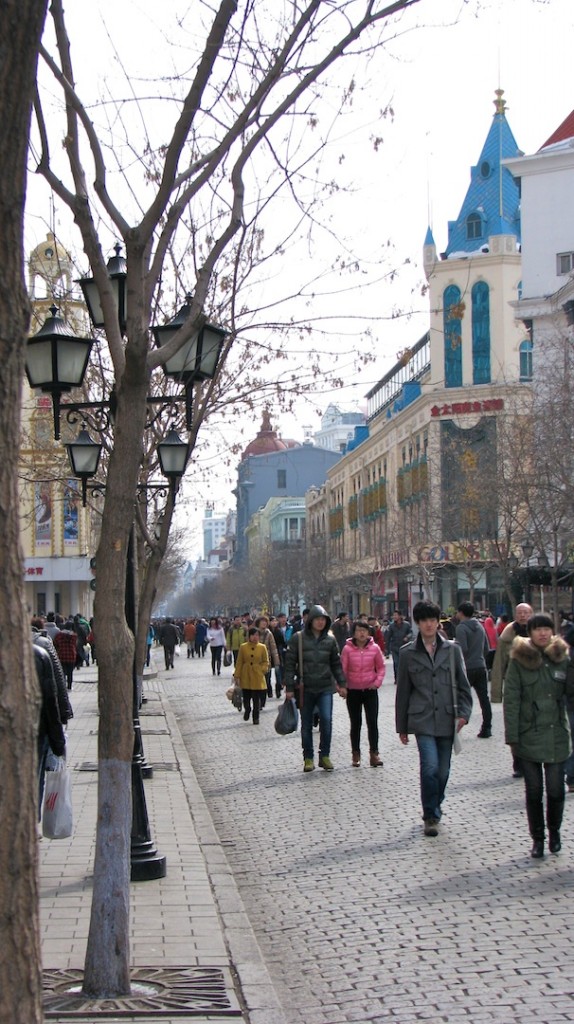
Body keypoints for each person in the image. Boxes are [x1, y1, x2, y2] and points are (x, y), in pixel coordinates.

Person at [395, 600, 472, 838]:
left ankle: (435, 802)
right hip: (422, 719)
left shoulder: (452, 649)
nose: (429, 625)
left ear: (438, 622)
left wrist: (464, 715)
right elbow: (403, 692)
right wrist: (402, 727)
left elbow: (463, 686)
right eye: (424, 620)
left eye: (432, 620)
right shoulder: (407, 653)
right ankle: (430, 815)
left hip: (448, 717)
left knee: (443, 771)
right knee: (429, 767)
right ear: (418, 623)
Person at [503, 614, 572, 858]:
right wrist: (512, 736)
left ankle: (554, 831)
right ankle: (538, 838)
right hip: (527, 735)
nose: (542, 633)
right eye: (537, 629)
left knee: (555, 790)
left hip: (556, 735)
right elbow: (511, 700)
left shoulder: (562, 659)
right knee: (533, 791)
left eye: (546, 629)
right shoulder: (519, 661)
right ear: (529, 633)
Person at [284, 604, 347, 772]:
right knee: (306, 724)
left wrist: (342, 684)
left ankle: (324, 755)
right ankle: (308, 758)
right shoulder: (298, 638)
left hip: (325, 687)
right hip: (306, 688)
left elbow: (336, 664)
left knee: (326, 720)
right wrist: (289, 687)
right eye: (317, 619)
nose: (320, 622)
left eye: (323, 620)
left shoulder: (330, 640)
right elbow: (289, 664)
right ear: (310, 620)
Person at [491, 602, 533, 778]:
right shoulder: (507, 635)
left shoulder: (540, 633)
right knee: (514, 724)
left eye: (526, 613)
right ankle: (518, 762)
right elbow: (499, 664)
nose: (523, 616)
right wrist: (496, 692)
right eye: (520, 613)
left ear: (531, 614)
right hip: (513, 686)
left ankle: (532, 759)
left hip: (534, 687)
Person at [341, 620, 385, 767]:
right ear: (354, 633)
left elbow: (381, 667)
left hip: (370, 690)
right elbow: (342, 669)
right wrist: (342, 686)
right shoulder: (347, 649)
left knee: (372, 722)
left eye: (364, 630)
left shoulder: (375, 649)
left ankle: (374, 754)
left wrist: (377, 683)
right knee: (356, 723)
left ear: (368, 633)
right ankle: (356, 754)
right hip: (353, 691)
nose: (362, 633)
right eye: (359, 630)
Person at [34, 641, 66, 818]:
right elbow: (51, 701)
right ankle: (32, 820)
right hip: (37, 732)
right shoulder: (40, 653)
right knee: (36, 778)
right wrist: (58, 741)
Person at [455, 601, 492, 738]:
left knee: (460, 696)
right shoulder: (480, 626)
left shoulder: (461, 628)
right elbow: (486, 648)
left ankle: (457, 725)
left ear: (461, 613)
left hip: (467, 668)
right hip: (481, 666)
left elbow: (461, 649)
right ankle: (487, 727)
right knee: (484, 699)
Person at [233, 627, 270, 725]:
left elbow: (266, 661)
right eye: (253, 635)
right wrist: (237, 675)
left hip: (257, 675)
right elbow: (239, 661)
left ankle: (256, 717)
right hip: (246, 675)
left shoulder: (262, 647)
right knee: (246, 697)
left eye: (257, 635)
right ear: (249, 636)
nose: (255, 637)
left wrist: (262, 670)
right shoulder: (243, 647)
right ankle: (247, 710)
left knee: (256, 698)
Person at [385, 610, 413, 681]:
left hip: (404, 647)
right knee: (396, 663)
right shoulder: (391, 626)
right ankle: (397, 679)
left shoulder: (406, 625)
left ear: (400, 616)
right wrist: (387, 651)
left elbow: (411, 633)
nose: (394, 617)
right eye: (393, 615)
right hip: (395, 647)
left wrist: (407, 637)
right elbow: (388, 638)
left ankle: (405, 678)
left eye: (396, 615)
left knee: (404, 664)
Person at [53, 619, 79, 690]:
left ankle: (63, 685)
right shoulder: (74, 636)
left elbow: (55, 643)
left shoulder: (59, 635)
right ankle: (69, 686)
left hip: (61, 655)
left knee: (63, 672)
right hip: (71, 655)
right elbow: (75, 645)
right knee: (70, 672)